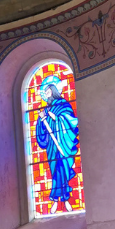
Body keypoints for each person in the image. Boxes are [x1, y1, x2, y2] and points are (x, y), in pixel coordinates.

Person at [35, 74, 79, 213]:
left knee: (63, 170)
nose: (46, 95)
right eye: (45, 93)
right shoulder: (46, 109)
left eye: (47, 92)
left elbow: (70, 120)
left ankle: (63, 199)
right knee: (55, 172)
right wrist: (41, 120)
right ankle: (58, 200)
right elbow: (42, 130)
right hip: (52, 147)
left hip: (63, 145)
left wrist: (54, 117)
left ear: (53, 91)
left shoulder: (63, 104)